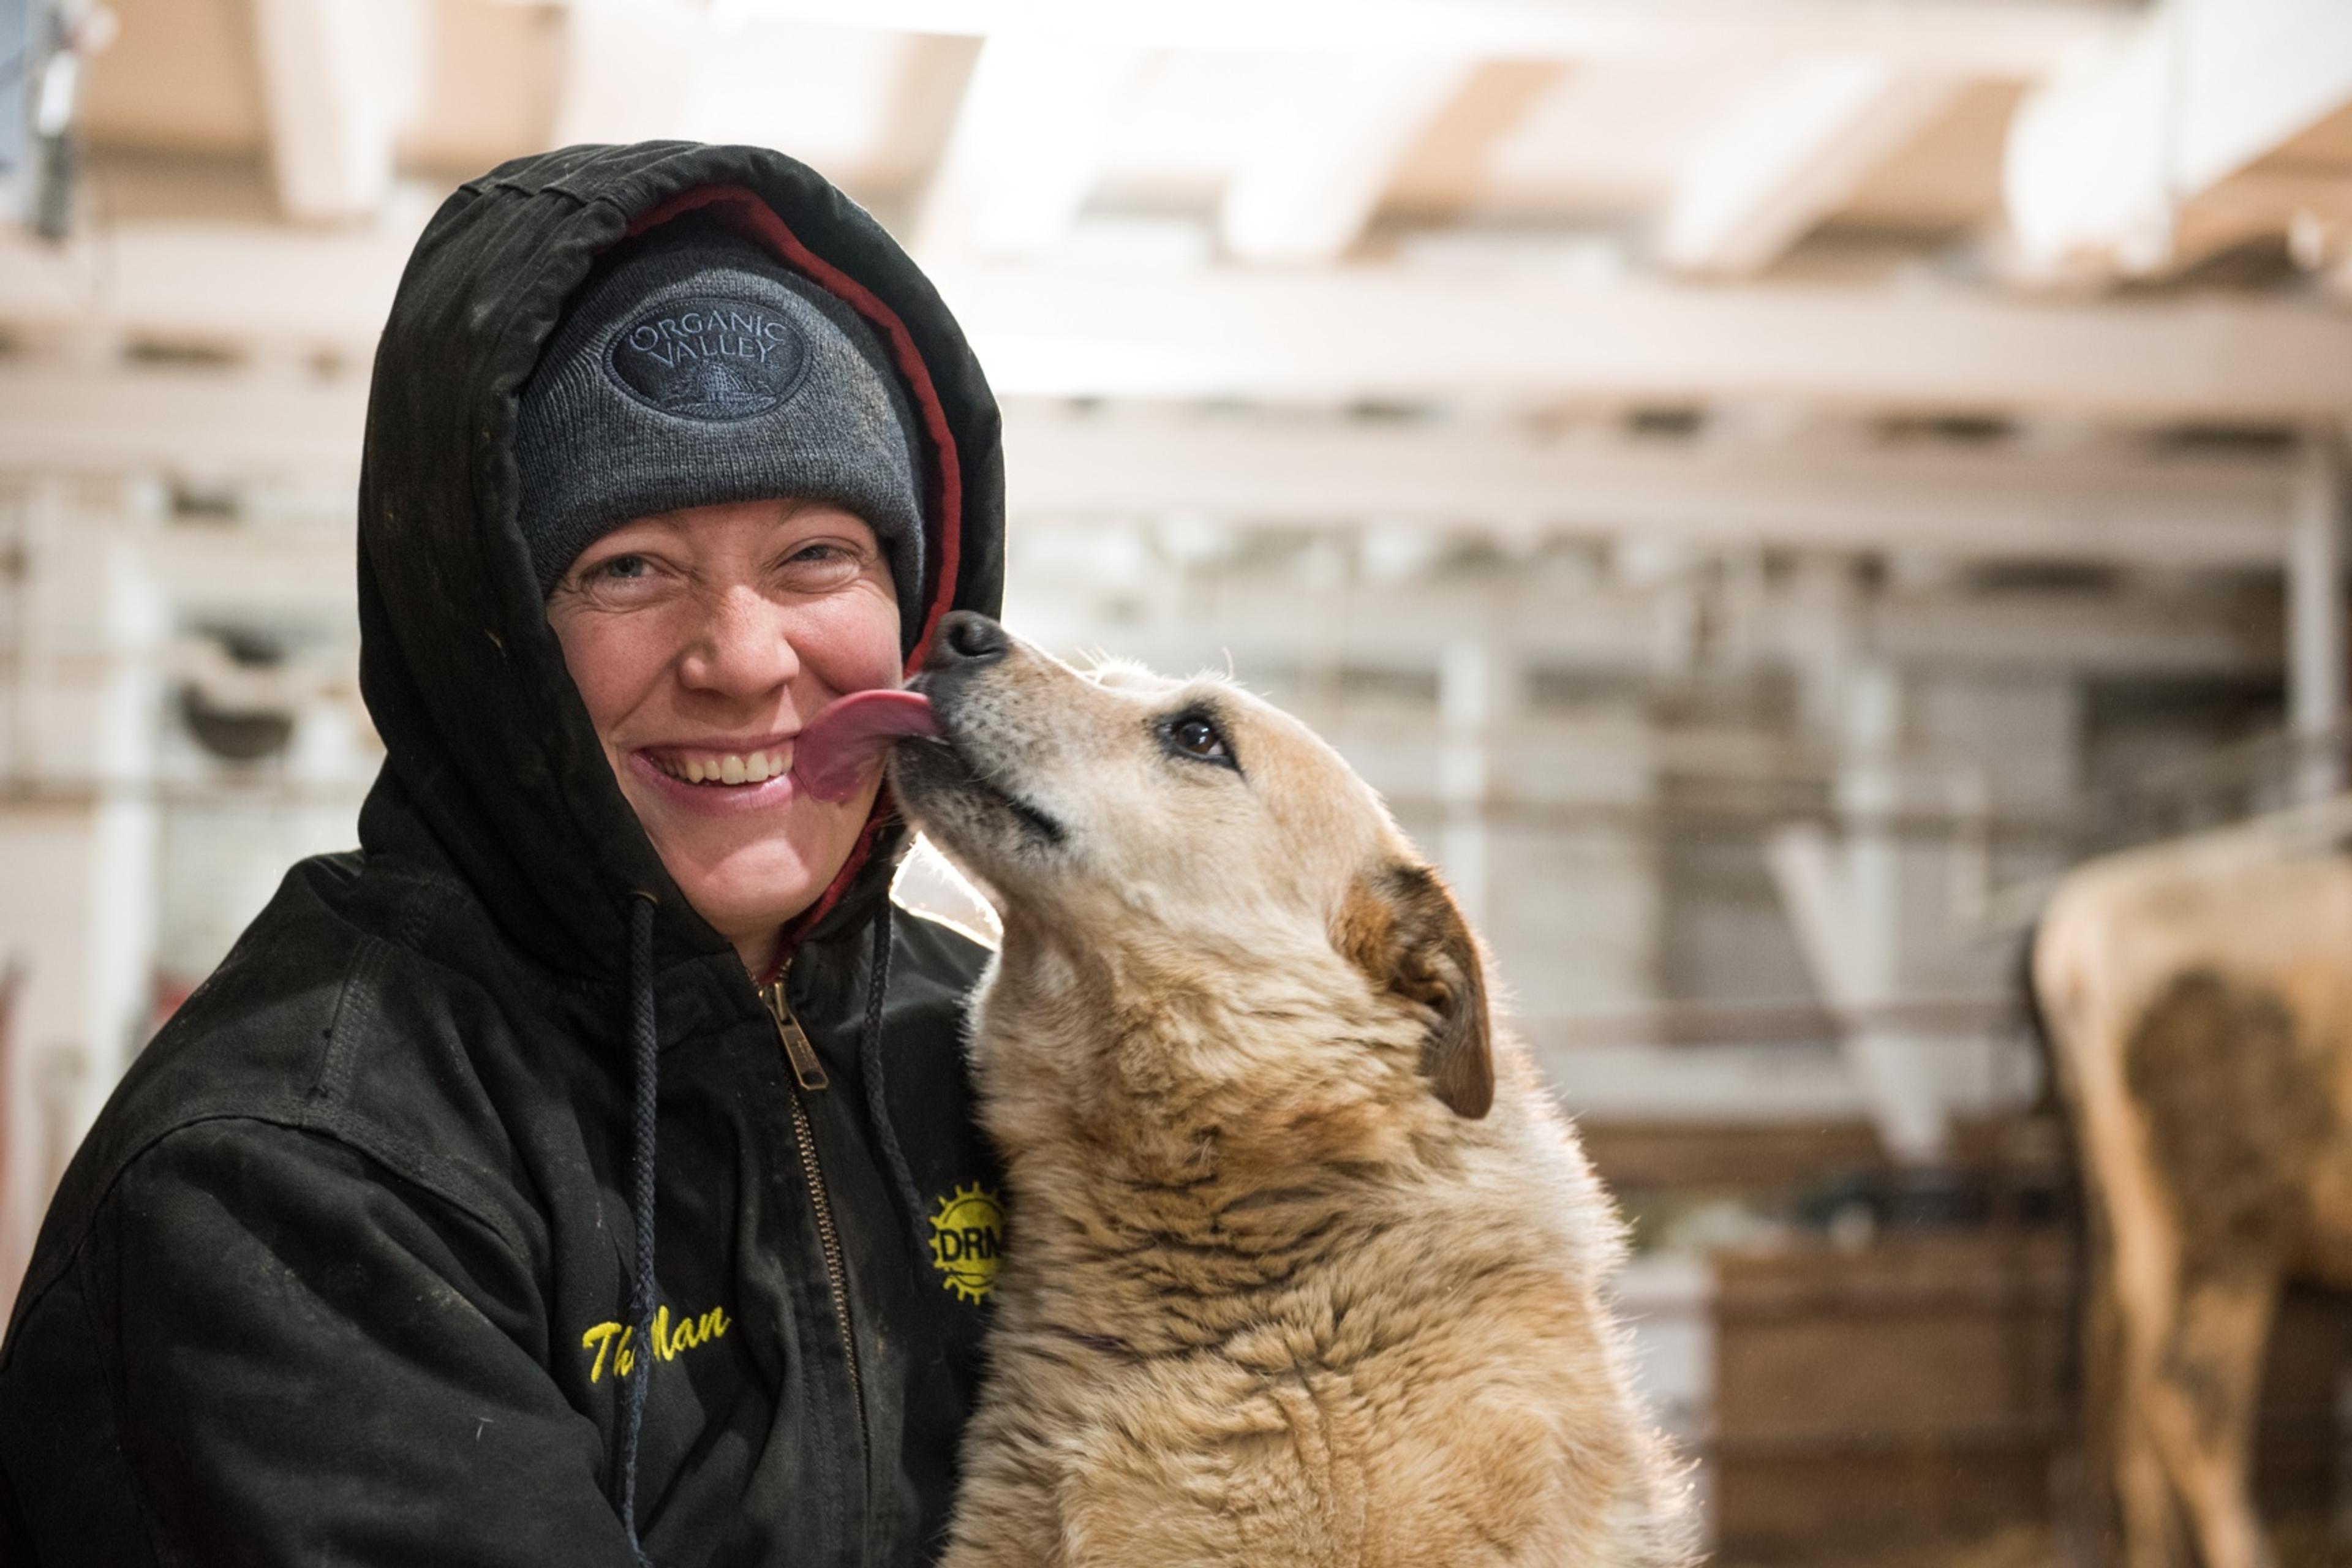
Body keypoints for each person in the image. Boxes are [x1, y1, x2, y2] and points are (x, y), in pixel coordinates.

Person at [0, 143, 1009, 1564]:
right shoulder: (293, 1174)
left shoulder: (1000, 1054)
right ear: (489, 634)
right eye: (629, 567)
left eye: (818, 555)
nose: (743, 656)